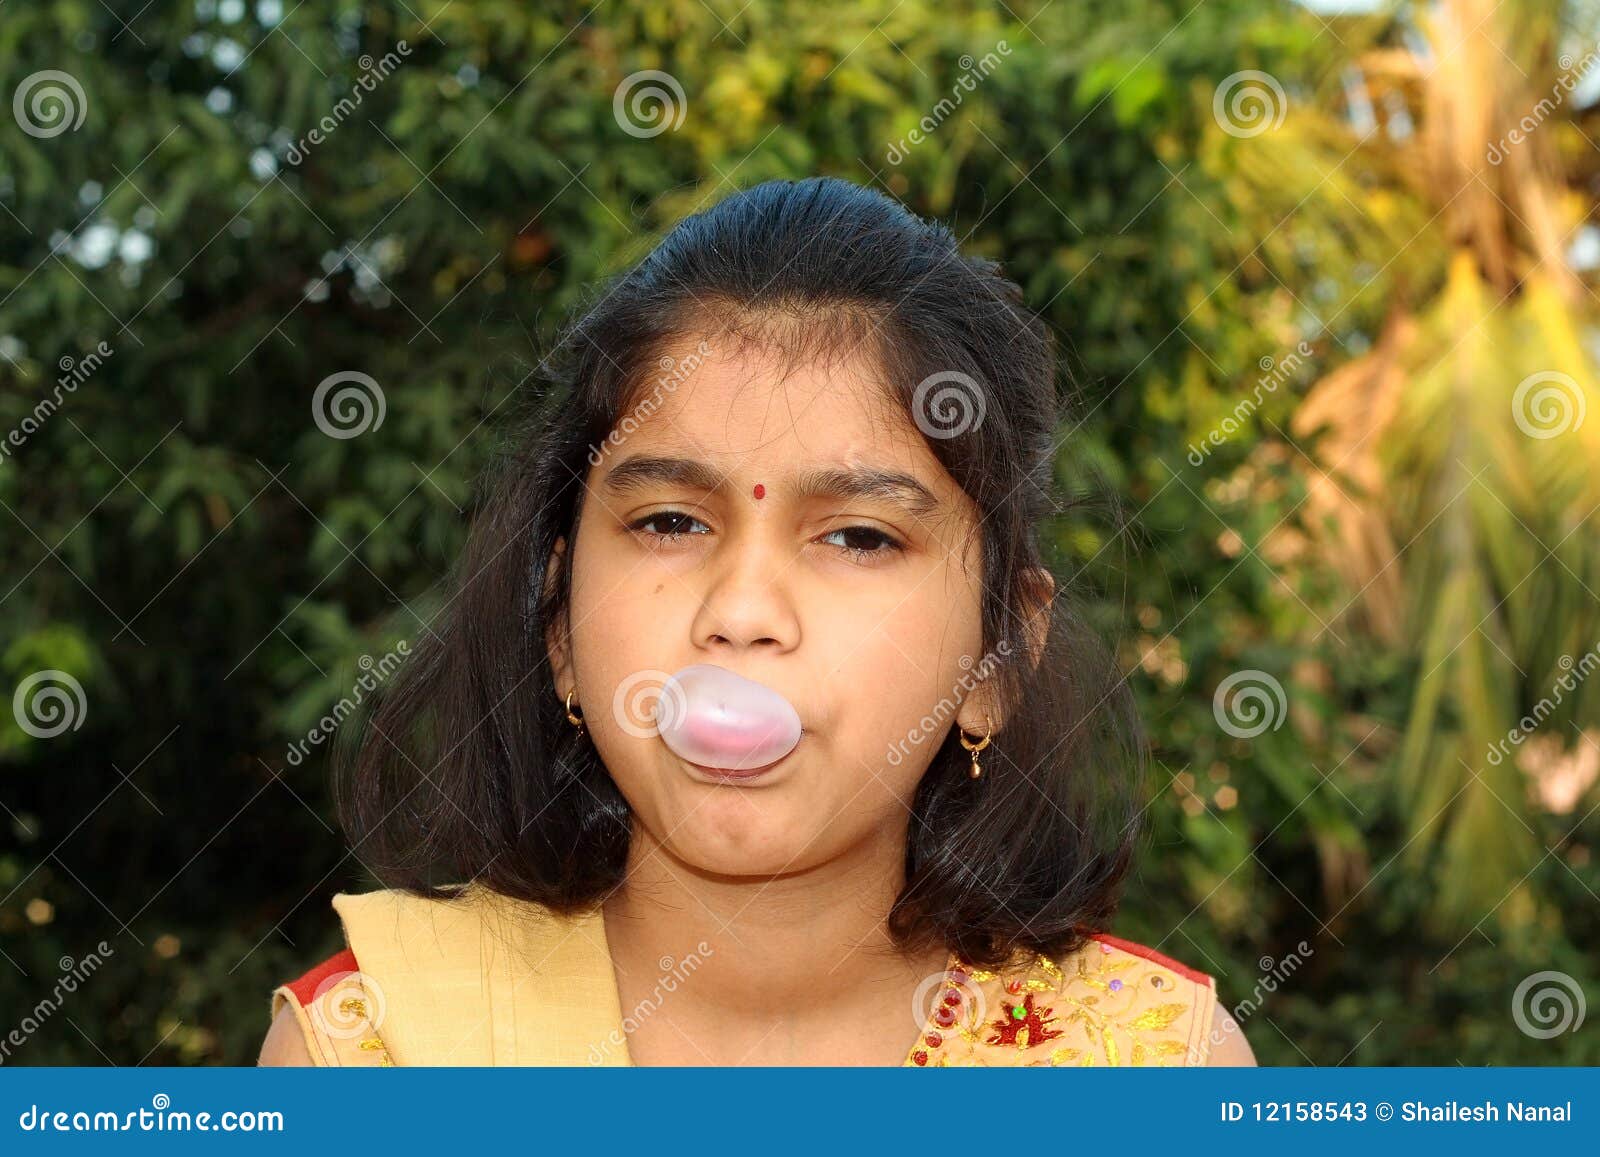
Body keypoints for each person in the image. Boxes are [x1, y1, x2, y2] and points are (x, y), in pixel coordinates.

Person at [258, 177, 1257, 1067]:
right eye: (669, 522)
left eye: (859, 537)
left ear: (998, 659)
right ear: (558, 626)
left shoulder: (1149, 1064)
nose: (740, 613)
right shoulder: (373, 1051)